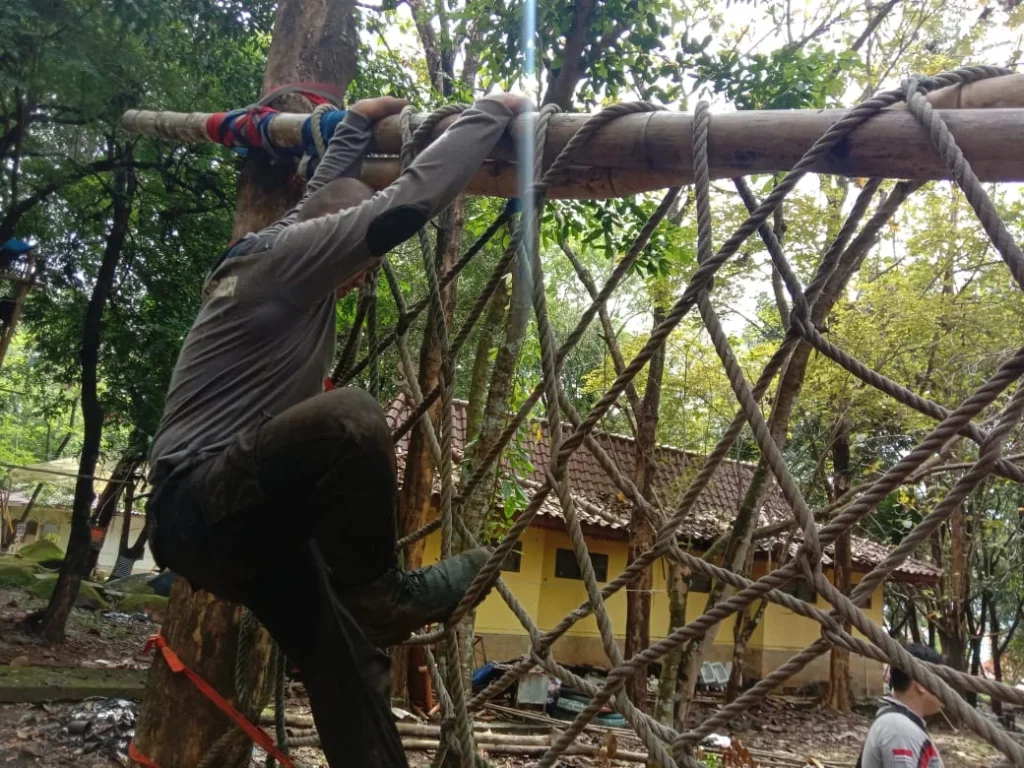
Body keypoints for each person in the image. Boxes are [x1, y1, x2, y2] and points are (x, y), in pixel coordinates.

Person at [146, 91, 533, 767]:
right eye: (359, 264)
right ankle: (385, 592)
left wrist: (353, 125)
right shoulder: (287, 261)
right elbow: (403, 206)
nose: (359, 279)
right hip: (201, 500)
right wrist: (491, 112)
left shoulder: (271, 250)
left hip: (245, 524)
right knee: (352, 417)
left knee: (347, 664)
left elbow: (322, 197)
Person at [857, 643, 945, 768]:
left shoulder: (901, 723)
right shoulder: (900, 729)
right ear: (921, 684)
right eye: (942, 680)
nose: (947, 688)